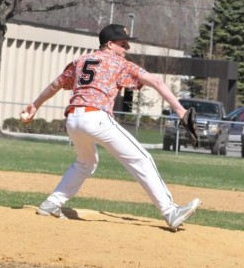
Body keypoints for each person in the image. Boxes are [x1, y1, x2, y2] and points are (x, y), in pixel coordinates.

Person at [20, 24, 201, 232]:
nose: (127, 48)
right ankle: (170, 211)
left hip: (72, 120)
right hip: (96, 117)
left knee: (86, 163)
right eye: (123, 43)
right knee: (141, 159)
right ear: (110, 44)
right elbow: (156, 82)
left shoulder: (80, 60)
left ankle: (52, 204)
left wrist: (35, 105)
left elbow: (55, 85)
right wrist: (179, 110)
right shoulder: (119, 63)